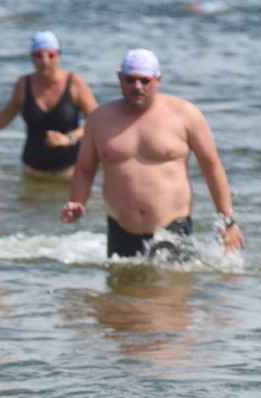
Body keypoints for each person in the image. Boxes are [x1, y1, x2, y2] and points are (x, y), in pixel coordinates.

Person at [61, 49, 245, 257]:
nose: (137, 86)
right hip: (120, 230)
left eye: (144, 80)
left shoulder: (185, 114)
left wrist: (228, 222)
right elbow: (85, 170)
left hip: (171, 230)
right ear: (120, 78)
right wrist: (77, 201)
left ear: (158, 80)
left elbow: (211, 167)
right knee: (120, 290)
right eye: (130, 80)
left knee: (171, 288)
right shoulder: (99, 119)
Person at [0, 31, 98, 179]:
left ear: (59, 56)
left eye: (50, 55)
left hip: (69, 172)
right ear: (32, 58)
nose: (44, 61)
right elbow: (6, 115)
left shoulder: (75, 82)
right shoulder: (23, 85)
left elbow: (96, 120)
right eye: (38, 55)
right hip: (32, 172)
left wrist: (69, 138)